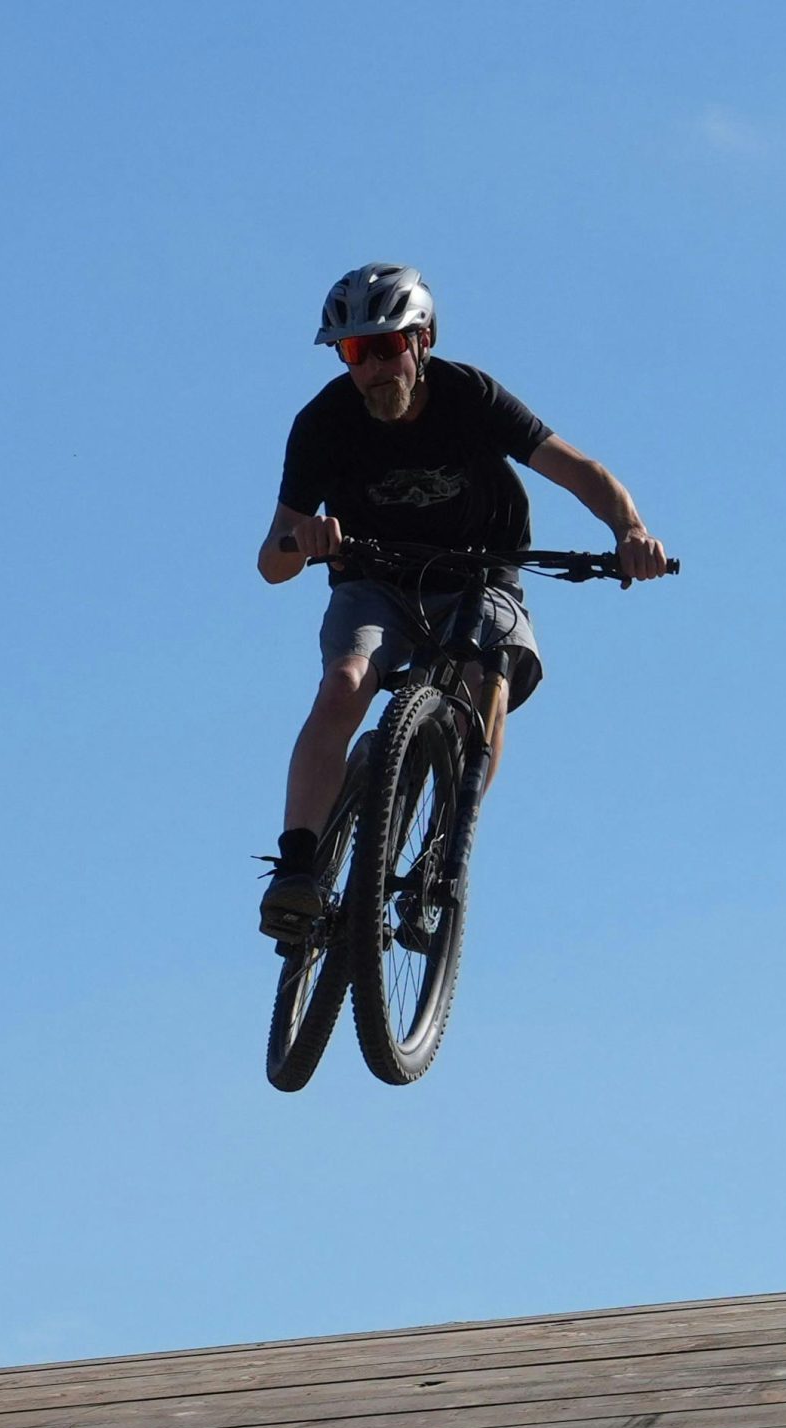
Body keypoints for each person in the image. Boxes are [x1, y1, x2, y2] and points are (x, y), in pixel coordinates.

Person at [256, 261, 670, 937]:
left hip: (483, 574)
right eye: (357, 353)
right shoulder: (324, 423)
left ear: (423, 341)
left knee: (488, 683)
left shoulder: (469, 396)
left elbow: (577, 469)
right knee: (343, 683)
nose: (374, 369)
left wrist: (630, 532)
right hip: (374, 582)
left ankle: (442, 861)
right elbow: (270, 562)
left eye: (388, 347)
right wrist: (303, 542)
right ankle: (297, 870)